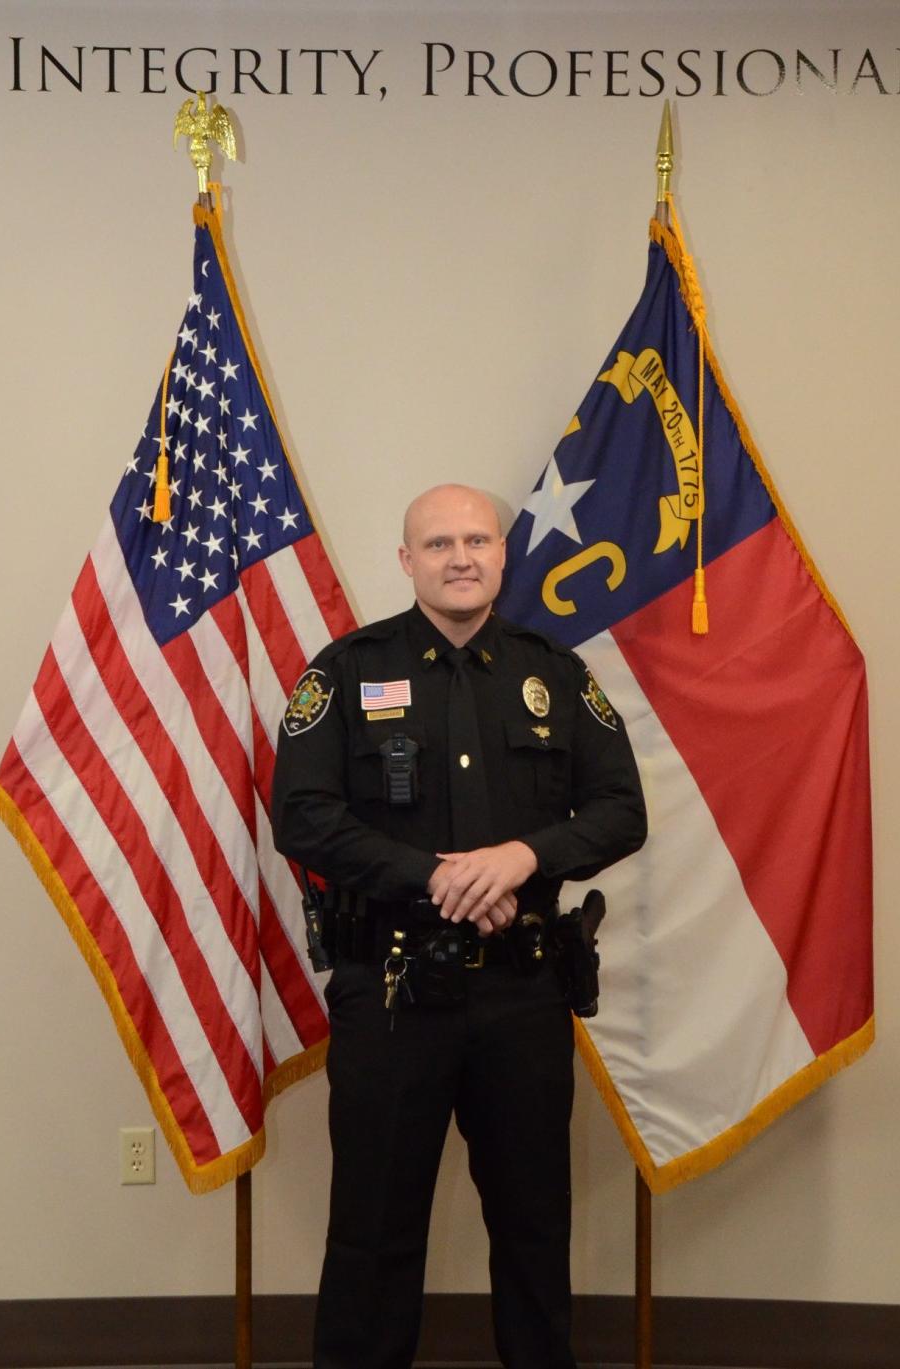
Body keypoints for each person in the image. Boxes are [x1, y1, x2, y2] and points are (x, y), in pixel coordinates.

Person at [271, 483, 646, 1369]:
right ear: (407, 562)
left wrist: (524, 856)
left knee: (533, 1227)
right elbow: (304, 815)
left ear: (503, 554)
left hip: (522, 989)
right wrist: (437, 875)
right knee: (372, 1231)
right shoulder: (346, 671)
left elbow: (621, 810)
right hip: (392, 992)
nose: (461, 556)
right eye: (438, 543)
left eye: (477, 538)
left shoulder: (555, 671)